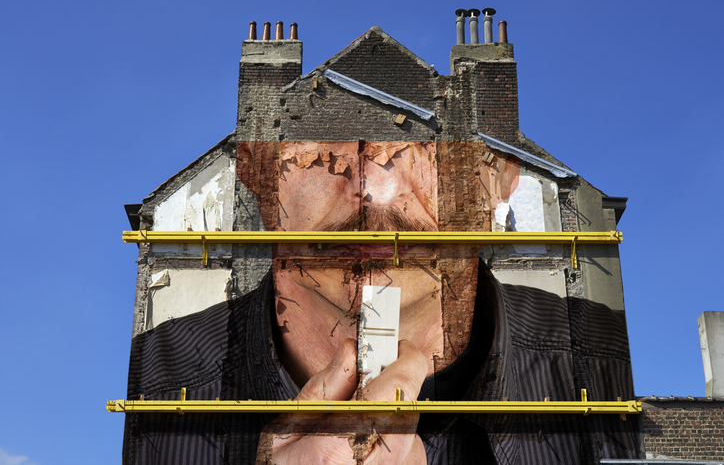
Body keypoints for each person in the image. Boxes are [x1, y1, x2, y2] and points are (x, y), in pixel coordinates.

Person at [123, 140, 638, 464]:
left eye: (425, 145)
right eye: (327, 146)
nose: (376, 190)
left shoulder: (606, 369)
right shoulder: (160, 383)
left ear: (498, 179)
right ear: (257, 170)